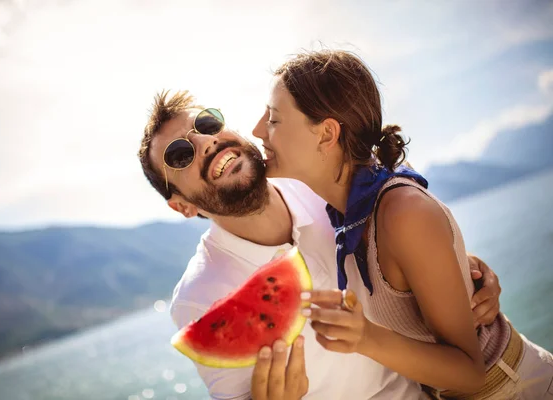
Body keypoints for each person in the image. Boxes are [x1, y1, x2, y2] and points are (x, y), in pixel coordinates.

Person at [137, 91, 505, 400]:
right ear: (182, 205)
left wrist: (458, 268)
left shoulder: (318, 184)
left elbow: (396, 241)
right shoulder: (198, 299)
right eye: (179, 155)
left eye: (206, 124)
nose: (205, 141)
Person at [253, 49, 553, 399]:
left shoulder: (403, 211)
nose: (258, 130)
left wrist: (365, 337)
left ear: (326, 134)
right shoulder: (349, 213)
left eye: (273, 119)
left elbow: (471, 374)